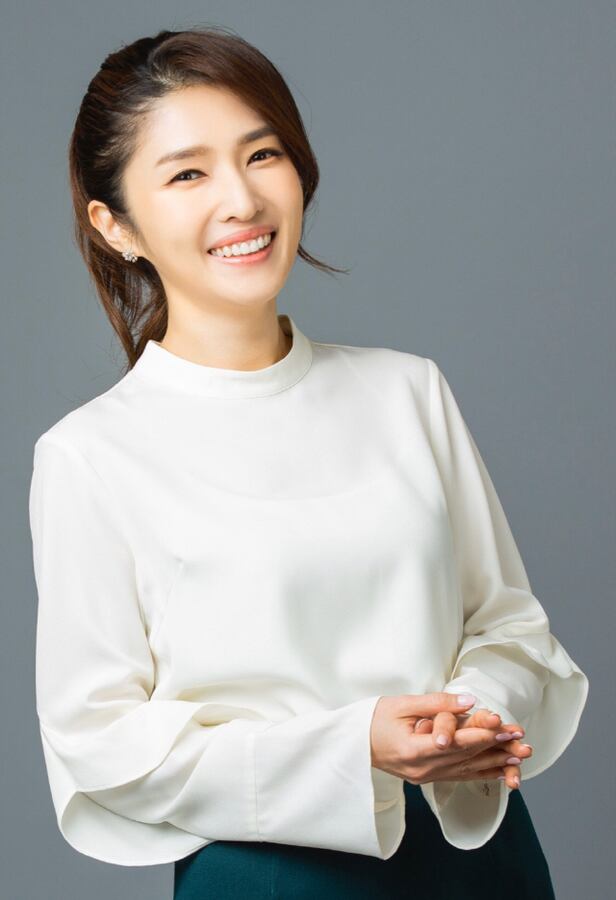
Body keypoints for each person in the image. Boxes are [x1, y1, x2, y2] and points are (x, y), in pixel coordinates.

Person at [28, 25, 589, 899]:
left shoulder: (407, 391)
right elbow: (99, 740)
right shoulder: (91, 455)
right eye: (188, 174)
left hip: (479, 854)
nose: (242, 200)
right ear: (116, 225)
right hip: (271, 872)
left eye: (263, 154)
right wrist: (354, 746)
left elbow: (509, 625)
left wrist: (467, 716)